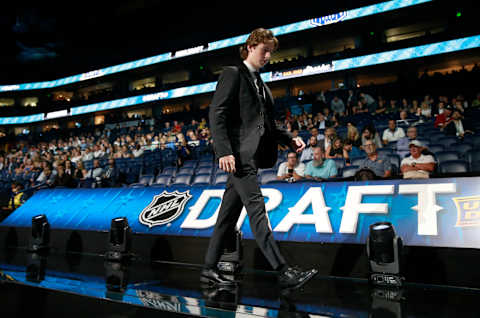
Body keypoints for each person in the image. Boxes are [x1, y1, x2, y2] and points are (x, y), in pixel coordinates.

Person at [203, 28, 317, 289]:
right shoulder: (233, 74)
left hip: (253, 156)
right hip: (240, 157)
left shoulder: (262, 85)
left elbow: (268, 125)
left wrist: (289, 138)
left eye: (270, 52)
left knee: (227, 218)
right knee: (257, 210)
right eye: (264, 50)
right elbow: (217, 113)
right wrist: (224, 151)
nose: (268, 56)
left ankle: (208, 270)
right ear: (251, 47)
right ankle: (283, 271)